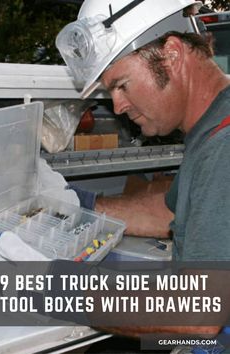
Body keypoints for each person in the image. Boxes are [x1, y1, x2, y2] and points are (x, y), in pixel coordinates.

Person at [56, 0, 230, 350]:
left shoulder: (223, 145)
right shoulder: (214, 124)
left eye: (121, 85)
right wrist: (74, 205)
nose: (117, 106)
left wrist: (59, 289)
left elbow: (198, 313)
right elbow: (167, 212)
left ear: (171, 55)